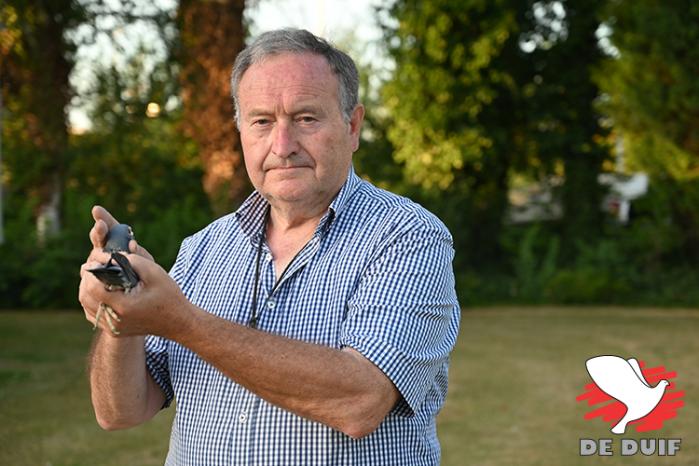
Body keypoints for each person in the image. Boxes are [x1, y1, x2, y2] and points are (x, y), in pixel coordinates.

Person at [79, 28, 460, 465]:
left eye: (306, 118)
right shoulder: (204, 248)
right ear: (242, 131)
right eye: (262, 121)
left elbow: (360, 400)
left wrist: (181, 321)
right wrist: (121, 314)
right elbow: (120, 411)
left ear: (352, 126)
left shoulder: (408, 236)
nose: (282, 146)